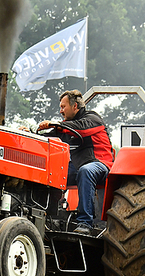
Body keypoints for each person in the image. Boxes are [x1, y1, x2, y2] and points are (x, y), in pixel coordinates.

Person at [37, 89, 115, 235]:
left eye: (63, 106)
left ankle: (85, 222)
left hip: (101, 164)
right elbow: (48, 137)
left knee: (86, 171)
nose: (61, 110)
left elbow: (81, 129)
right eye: (60, 107)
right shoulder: (65, 126)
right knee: (52, 172)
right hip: (78, 165)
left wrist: (55, 124)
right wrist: (30, 133)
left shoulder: (92, 119)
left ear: (75, 106)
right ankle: (49, 216)